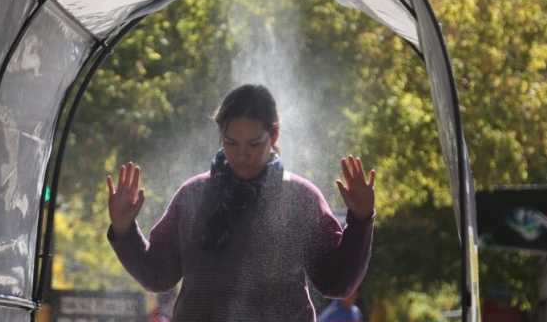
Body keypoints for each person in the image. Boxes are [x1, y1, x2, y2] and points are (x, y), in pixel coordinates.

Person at [106, 84, 376, 321]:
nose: (242, 155)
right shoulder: (193, 196)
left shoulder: (300, 199)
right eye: (231, 143)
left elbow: (337, 283)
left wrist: (361, 220)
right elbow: (158, 276)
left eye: (254, 144)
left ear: (275, 136)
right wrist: (124, 230)